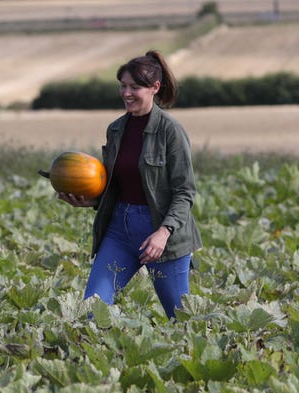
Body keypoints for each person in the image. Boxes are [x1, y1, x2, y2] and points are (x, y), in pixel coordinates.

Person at [59, 50, 202, 319]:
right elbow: (117, 186)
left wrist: (164, 232)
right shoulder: (115, 130)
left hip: (163, 235)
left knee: (181, 319)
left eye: (134, 87)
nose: (126, 93)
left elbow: (185, 192)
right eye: (123, 86)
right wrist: (91, 201)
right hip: (119, 231)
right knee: (93, 310)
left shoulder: (170, 131)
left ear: (155, 88)